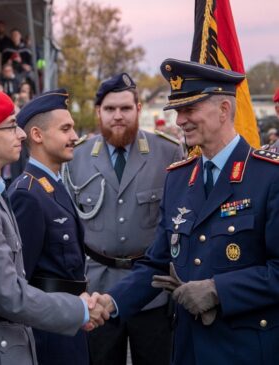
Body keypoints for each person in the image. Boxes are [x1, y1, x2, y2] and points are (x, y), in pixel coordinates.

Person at [95, 59, 279, 365]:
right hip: (188, 348)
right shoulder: (179, 177)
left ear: (223, 109)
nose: (180, 120)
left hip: (245, 350)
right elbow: (157, 262)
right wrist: (112, 302)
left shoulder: (268, 177)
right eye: (178, 111)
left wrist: (219, 290)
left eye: (189, 109)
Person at [0, 90, 108, 364]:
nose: (22, 134)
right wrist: (79, 310)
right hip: (6, 344)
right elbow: (8, 293)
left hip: (23, 336)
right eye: (12, 126)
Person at [64, 73, 184, 365]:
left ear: (139, 110)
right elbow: (67, 227)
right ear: (98, 112)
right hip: (96, 291)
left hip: (152, 290)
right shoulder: (75, 157)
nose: (118, 116)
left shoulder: (168, 152)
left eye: (125, 109)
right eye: (109, 109)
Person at [8, 89, 90, 365]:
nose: (74, 137)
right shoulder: (27, 193)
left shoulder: (52, 185)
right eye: (65, 129)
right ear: (37, 135)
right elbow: (21, 276)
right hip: (48, 333)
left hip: (69, 322)